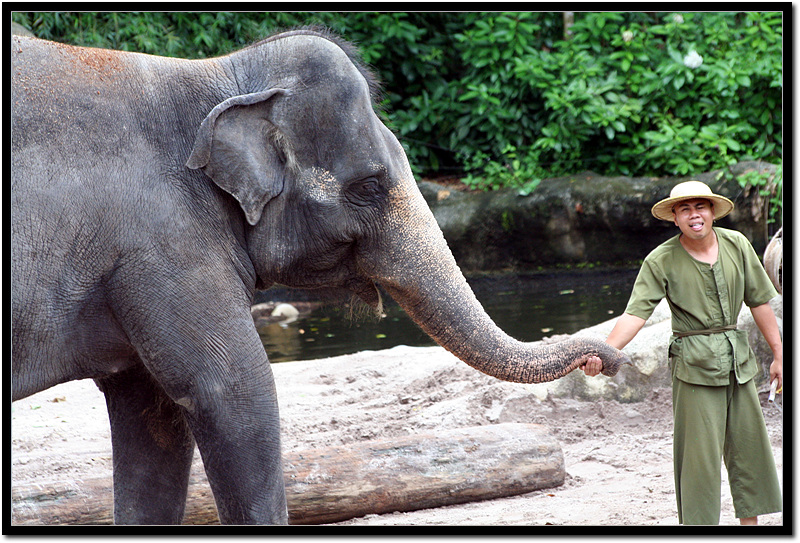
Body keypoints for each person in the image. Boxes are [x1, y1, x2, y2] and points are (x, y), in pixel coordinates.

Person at [582, 180, 782, 525]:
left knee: (750, 450)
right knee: (699, 459)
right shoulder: (660, 260)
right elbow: (635, 314)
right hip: (695, 366)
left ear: (712, 212)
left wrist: (780, 355)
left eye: (700, 207)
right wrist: (604, 353)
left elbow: (760, 302)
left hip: (738, 362)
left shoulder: (737, 244)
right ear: (674, 218)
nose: (694, 215)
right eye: (685, 209)